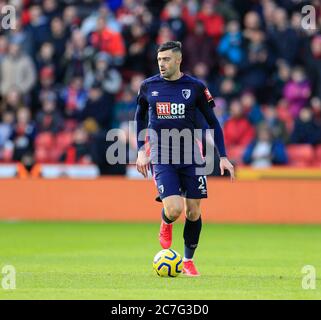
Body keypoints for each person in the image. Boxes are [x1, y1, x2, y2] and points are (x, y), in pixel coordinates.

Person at [134, 41, 234, 276]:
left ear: (178, 60)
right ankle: (166, 221)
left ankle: (188, 260)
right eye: (159, 60)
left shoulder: (196, 87)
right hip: (162, 153)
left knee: (193, 212)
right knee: (175, 208)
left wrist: (223, 156)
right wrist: (140, 150)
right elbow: (139, 117)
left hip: (191, 153)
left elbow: (213, 122)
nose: (162, 64)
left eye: (166, 59)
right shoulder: (148, 86)